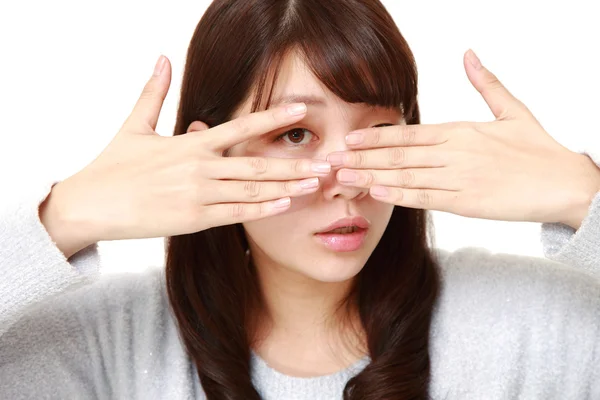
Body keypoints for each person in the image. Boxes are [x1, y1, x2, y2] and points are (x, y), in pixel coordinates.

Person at [1, 0, 599, 399]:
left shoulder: (534, 322)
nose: (347, 180)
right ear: (207, 153)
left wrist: (582, 193)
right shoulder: (101, 340)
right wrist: (67, 216)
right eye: (294, 134)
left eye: (378, 131)